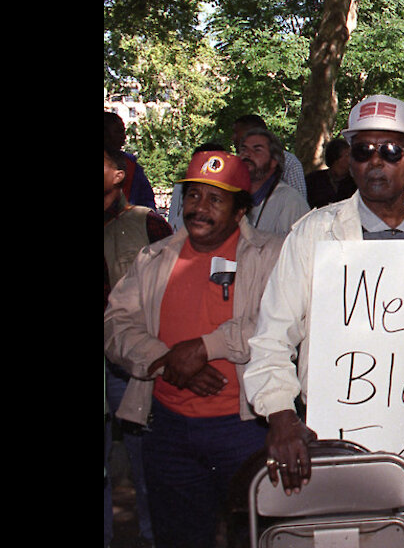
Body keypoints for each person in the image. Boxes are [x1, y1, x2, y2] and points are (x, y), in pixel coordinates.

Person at [243, 94, 404, 548]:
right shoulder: (315, 233)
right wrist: (280, 415)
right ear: (349, 162)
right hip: (332, 445)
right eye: (363, 150)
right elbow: (273, 333)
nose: (377, 162)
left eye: (391, 151)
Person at [104, 150, 285, 548]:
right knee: (179, 536)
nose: (199, 209)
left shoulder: (273, 255)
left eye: (215, 199)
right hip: (168, 430)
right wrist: (165, 361)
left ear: (240, 210)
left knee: (256, 537)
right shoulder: (155, 257)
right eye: (193, 196)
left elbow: (282, 321)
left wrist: (205, 347)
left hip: (246, 429)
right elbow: (116, 324)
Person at [104, 147, 172, 547]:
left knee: (141, 456)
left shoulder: (147, 224)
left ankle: (152, 535)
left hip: (128, 362)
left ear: (119, 175)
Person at [238, 127, 311, 234]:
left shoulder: (291, 202)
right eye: (244, 149)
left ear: (273, 162)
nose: (247, 154)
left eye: (257, 150)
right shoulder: (233, 196)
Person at [232, 114, 308, 201]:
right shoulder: (238, 164)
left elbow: (298, 202)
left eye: (236, 132)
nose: (233, 138)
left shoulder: (289, 162)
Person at [105, 110, 157, 209]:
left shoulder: (132, 165)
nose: (124, 137)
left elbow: (146, 202)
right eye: (118, 131)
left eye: (123, 131)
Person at [304, 136, 357, 208]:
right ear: (336, 158)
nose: (352, 159)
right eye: (347, 155)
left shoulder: (356, 182)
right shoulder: (313, 180)